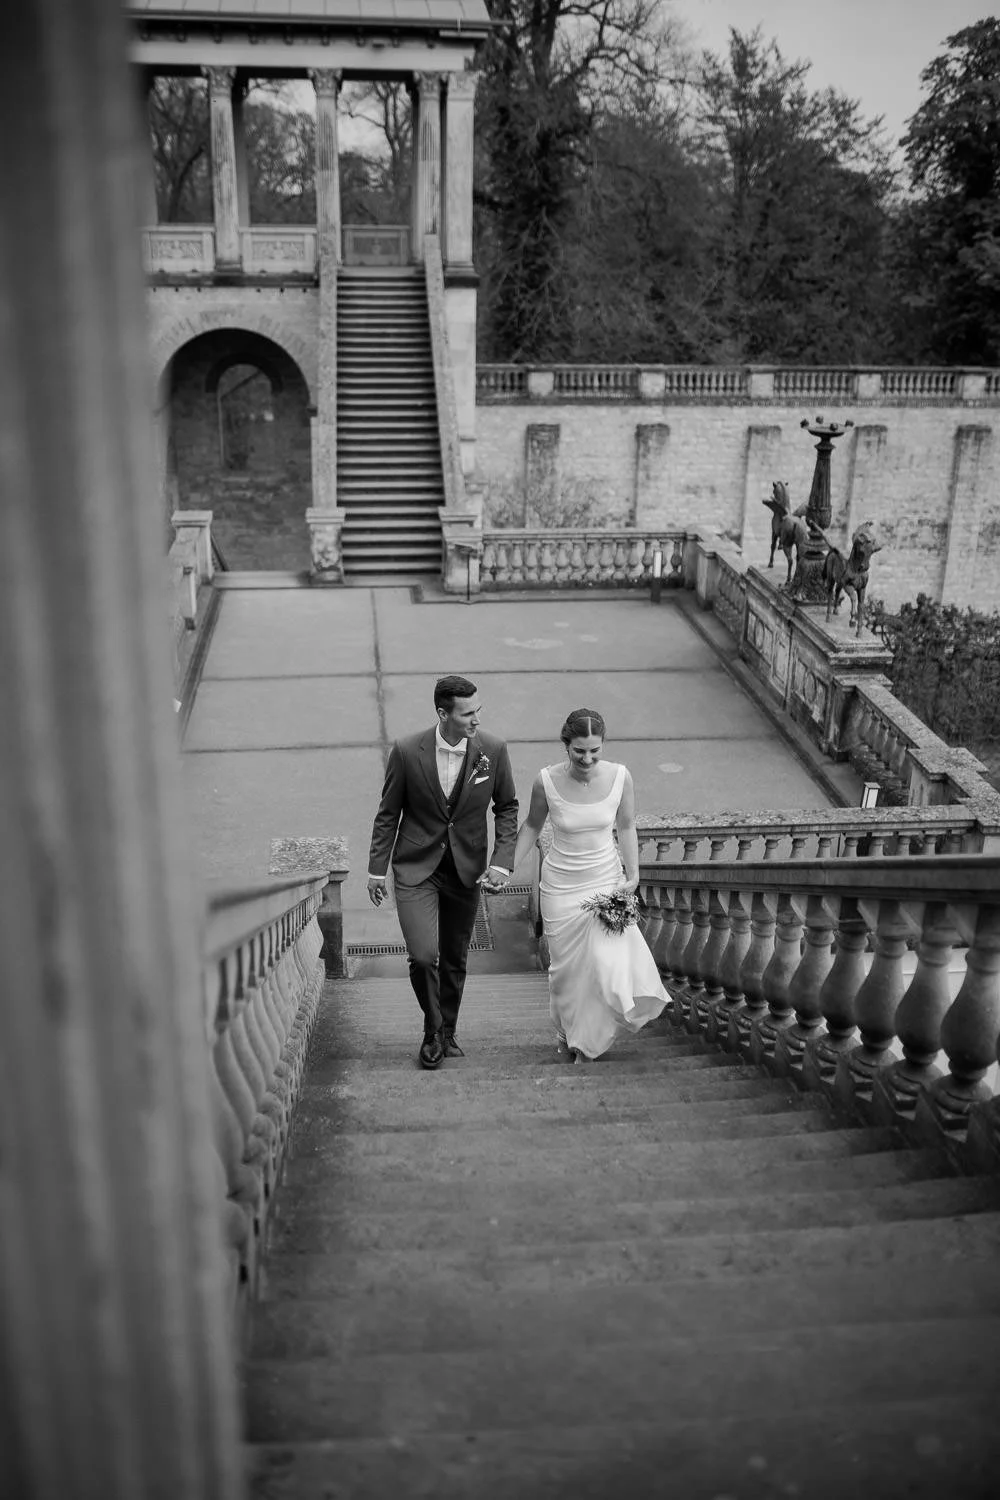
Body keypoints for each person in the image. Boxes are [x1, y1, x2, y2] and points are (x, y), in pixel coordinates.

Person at [367, 675, 519, 1069]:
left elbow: (506, 807)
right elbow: (388, 813)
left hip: (466, 868)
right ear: (442, 713)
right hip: (416, 867)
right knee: (423, 955)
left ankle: (446, 1030)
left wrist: (501, 862)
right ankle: (432, 1029)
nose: (475, 720)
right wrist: (376, 870)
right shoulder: (405, 750)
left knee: (454, 958)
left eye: (477, 711)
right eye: (468, 713)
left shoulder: (494, 750)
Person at [512, 708, 668, 1060]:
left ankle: (587, 1043)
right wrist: (504, 868)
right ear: (565, 745)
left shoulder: (620, 777)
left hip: (604, 883)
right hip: (560, 888)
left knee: (602, 965)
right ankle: (567, 1033)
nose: (587, 758)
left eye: (595, 750)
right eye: (579, 750)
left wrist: (634, 875)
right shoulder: (546, 781)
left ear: (603, 745)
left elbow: (626, 826)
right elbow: (533, 826)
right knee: (565, 973)